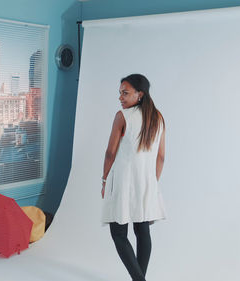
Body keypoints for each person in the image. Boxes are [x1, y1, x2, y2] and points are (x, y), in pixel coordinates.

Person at [101, 74, 166, 281]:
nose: (120, 97)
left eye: (125, 93)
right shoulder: (158, 117)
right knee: (142, 231)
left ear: (140, 94)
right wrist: (152, 181)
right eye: (120, 93)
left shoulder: (123, 116)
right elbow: (161, 157)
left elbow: (110, 153)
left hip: (123, 181)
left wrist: (104, 180)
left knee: (119, 234)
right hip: (147, 182)